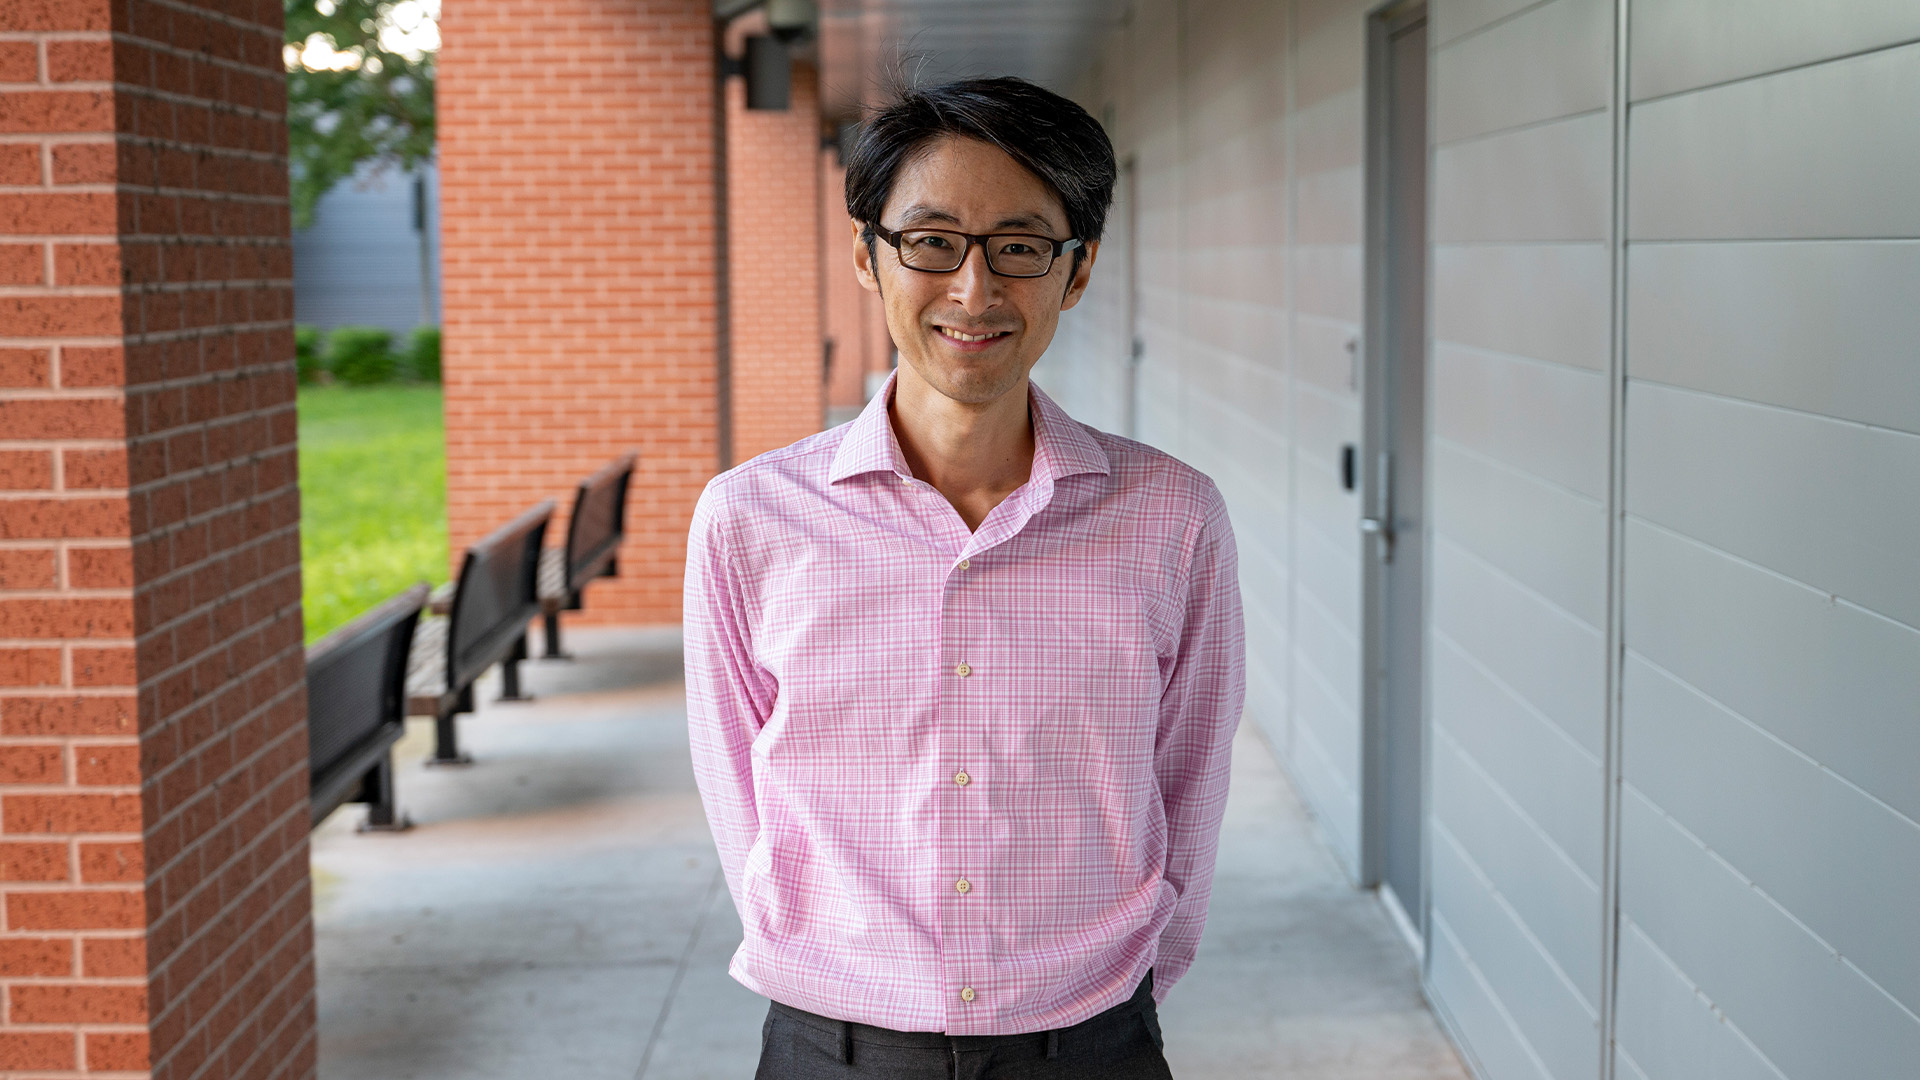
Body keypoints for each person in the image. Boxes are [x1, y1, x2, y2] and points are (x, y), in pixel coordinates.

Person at [684, 75, 1245, 1079]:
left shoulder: (1171, 517)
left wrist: (1120, 1001)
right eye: (932, 241)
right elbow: (737, 794)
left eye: (1021, 247)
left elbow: (1189, 781)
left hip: (1089, 1043)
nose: (975, 291)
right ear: (868, 253)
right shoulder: (752, 519)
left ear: (1076, 274)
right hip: (836, 1046)